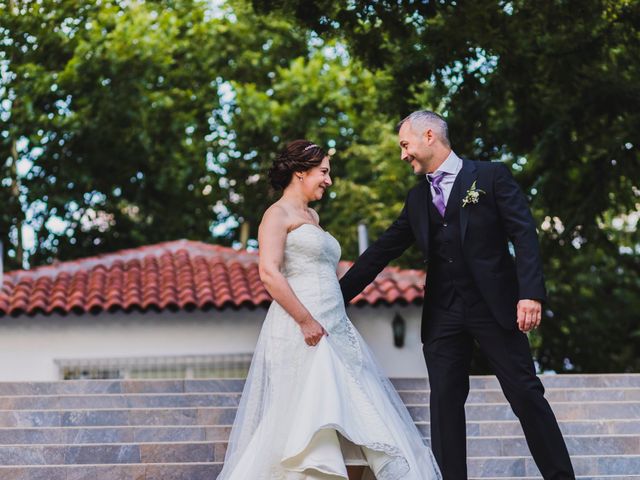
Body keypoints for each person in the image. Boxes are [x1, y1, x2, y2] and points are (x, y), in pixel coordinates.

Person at [339, 111, 575, 480]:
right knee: (445, 405)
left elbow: (524, 234)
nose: (403, 155)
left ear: (429, 135)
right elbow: (381, 251)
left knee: (526, 395)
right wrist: (335, 298)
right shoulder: (417, 199)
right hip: (443, 313)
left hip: (494, 307)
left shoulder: (490, 176)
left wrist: (530, 294)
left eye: (405, 145)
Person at [217, 140, 441, 480]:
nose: (328, 180)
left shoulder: (313, 216)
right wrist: (306, 321)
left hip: (336, 328)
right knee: (313, 416)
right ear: (299, 173)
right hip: (302, 329)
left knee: (352, 420)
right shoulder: (276, 215)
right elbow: (269, 273)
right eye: (323, 172)